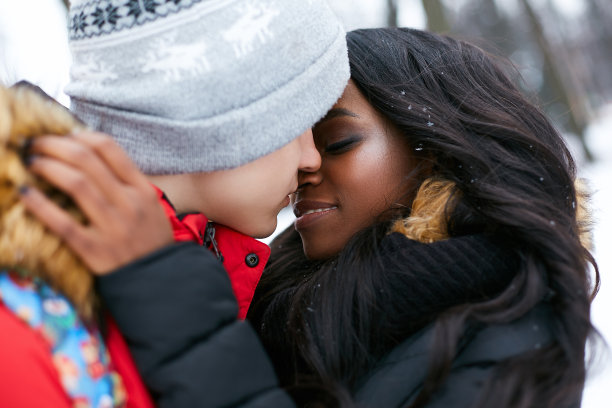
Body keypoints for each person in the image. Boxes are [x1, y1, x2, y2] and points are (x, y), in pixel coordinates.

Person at [24, 28, 598, 408]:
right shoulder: (282, 295)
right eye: (290, 138)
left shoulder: (512, 332)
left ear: (438, 152)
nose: (306, 166)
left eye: (338, 141)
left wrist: (168, 296)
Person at [4, 0, 349, 406]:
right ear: (211, 116)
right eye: (297, 122)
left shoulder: (195, 269)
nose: (311, 160)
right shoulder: (26, 319)